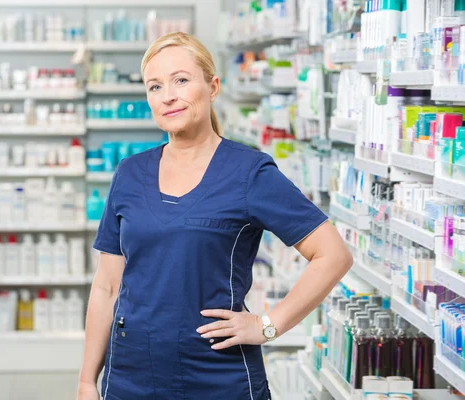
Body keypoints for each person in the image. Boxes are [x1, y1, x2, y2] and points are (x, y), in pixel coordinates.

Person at [77, 32, 353, 400]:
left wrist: (268, 326)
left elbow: (333, 254)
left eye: (181, 80)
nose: (168, 96)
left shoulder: (248, 173)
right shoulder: (129, 173)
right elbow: (107, 287)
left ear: (213, 86)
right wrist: (85, 382)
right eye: (155, 86)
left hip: (217, 377)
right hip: (131, 376)